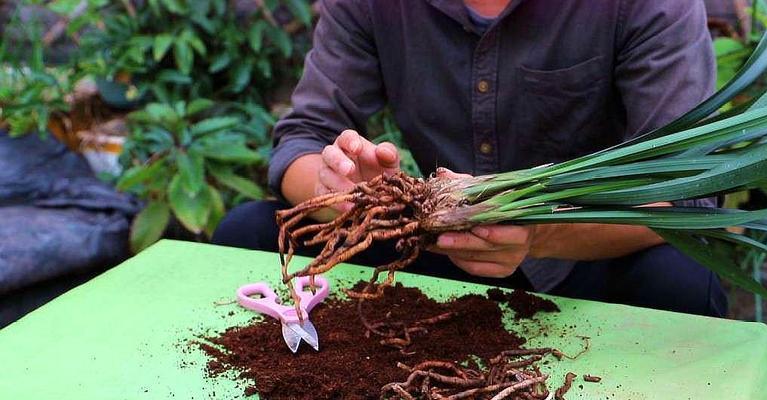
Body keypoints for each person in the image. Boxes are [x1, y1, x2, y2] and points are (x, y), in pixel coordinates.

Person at [213, 0, 728, 317]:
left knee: (682, 277)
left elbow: (682, 185)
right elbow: (302, 140)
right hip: (430, 243)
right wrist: (352, 196)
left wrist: (538, 231)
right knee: (251, 233)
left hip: (580, 254)